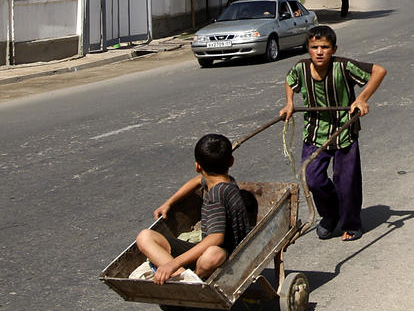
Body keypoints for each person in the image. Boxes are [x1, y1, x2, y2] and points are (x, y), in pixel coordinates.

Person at [279, 25, 386, 241]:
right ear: (308, 49)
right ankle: (330, 214)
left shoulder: (344, 66)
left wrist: (362, 98)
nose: (319, 52)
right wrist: (289, 103)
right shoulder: (301, 68)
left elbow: (378, 71)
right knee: (313, 179)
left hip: (344, 132)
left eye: (325, 47)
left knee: (346, 182)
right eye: (314, 47)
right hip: (314, 134)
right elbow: (290, 81)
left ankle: (351, 223)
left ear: (333, 48)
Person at [135, 134, 254, 284]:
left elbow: (216, 238)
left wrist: (173, 263)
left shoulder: (217, 194)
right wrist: (169, 203)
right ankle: (182, 277)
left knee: (212, 254)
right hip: (204, 249)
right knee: (145, 236)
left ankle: (192, 280)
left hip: (226, 253)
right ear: (231, 162)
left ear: (198, 166)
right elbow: (198, 180)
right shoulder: (224, 181)